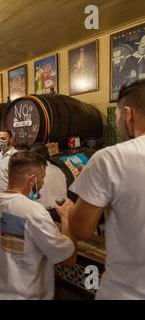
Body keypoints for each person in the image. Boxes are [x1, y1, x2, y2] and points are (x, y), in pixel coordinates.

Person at [67, 79, 145, 299]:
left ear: (128, 114)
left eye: (118, 117)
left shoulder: (111, 158)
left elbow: (81, 230)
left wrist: (68, 213)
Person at [0, 151, 77, 300]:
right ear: (32, 180)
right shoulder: (33, 211)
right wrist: (67, 218)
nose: (43, 183)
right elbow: (68, 259)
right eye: (42, 178)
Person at [29, 143, 67, 221]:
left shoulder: (36, 173)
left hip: (45, 214)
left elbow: (33, 196)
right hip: (61, 211)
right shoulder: (57, 169)